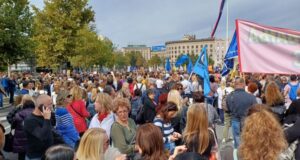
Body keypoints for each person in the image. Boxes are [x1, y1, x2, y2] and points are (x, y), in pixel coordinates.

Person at [226, 78, 257, 149]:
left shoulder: (229, 96)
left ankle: (238, 155)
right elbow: (255, 110)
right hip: (246, 120)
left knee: (237, 141)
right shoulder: (251, 97)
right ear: (243, 85)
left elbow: (228, 109)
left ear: (235, 85)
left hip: (235, 120)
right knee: (247, 141)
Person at [24, 94, 54, 160]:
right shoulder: (30, 120)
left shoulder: (46, 116)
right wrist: (47, 119)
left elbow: (52, 132)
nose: (52, 106)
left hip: (49, 154)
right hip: (36, 156)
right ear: (41, 106)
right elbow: (42, 136)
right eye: (50, 104)